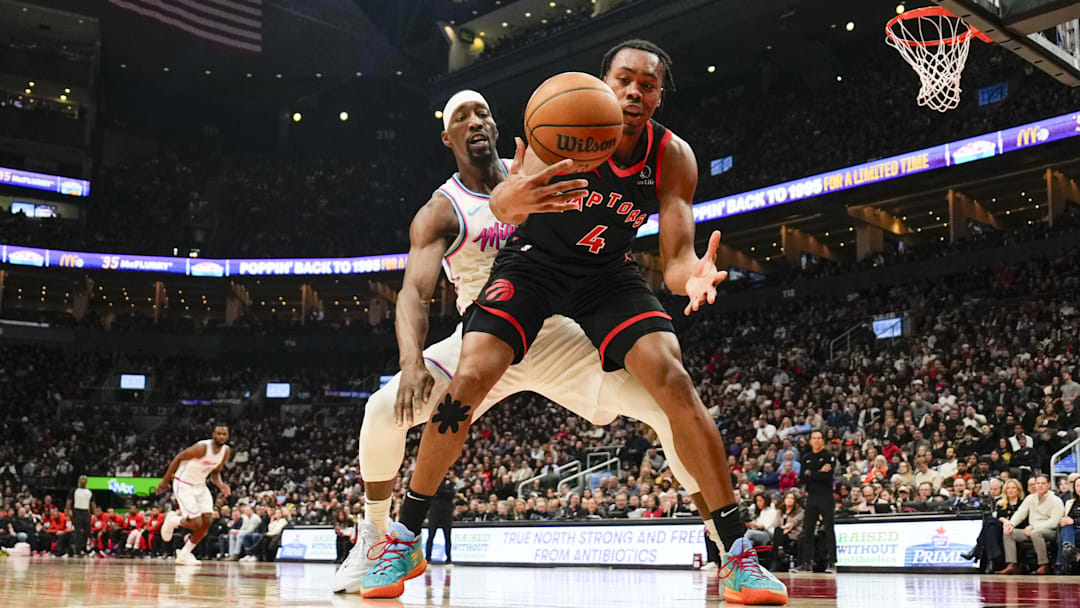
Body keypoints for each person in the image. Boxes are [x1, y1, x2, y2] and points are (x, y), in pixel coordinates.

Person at [357, 40, 787, 605]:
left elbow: (678, 255)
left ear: (660, 94)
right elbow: (507, 208)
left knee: (674, 381)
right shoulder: (564, 124)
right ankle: (406, 534)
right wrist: (511, 196)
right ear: (603, 82)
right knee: (468, 379)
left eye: (648, 84)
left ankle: (736, 553)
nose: (635, 91)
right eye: (624, 79)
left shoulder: (672, 155)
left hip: (607, 275)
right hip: (532, 267)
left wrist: (693, 277)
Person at [155, 424, 232, 565]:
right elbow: (179, 458)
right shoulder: (202, 448)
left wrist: (221, 485)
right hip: (183, 484)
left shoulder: (226, 451)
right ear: (213, 434)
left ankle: (184, 554)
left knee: (207, 521)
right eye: (219, 434)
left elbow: (215, 471)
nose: (221, 436)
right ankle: (174, 521)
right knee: (197, 523)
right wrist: (165, 481)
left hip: (200, 486)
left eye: (224, 434)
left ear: (227, 436)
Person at [999, 474, 1065, 574]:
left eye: (1043, 483)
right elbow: (1020, 513)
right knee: (1009, 533)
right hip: (1031, 531)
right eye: (1038, 483)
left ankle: (1044, 565)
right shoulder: (1030, 498)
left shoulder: (1056, 500)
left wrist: (1034, 527)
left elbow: (1054, 522)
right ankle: (1012, 564)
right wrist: (1011, 524)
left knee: (1036, 533)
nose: (1040, 486)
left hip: (1050, 531)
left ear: (1049, 485)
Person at [794, 430, 836, 573]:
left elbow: (828, 476)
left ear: (823, 440)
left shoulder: (829, 456)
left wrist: (811, 473)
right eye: (814, 438)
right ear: (810, 441)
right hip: (811, 496)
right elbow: (802, 479)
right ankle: (807, 563)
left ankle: (831, 563)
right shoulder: (806, 457)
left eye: (819, 438)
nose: (817, 441)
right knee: (808, 530)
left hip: (826, 496)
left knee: (829, 529)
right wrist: (818, 472)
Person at [425, 476, 456, 566]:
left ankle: (449, 559)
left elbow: (451, 494)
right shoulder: (433, 482)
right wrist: (444, 492)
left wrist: (439, 492)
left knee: (447, 537)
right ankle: (427, 559)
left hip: (446, 512)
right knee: (431, 536)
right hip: (434, 512)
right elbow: (431, 493)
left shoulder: (450, 483)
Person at [772, 490, 804, 571]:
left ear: (795, 501)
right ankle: (780, 549)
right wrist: (783, 530)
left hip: (793, 534)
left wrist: (785, 529)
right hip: (781, 534)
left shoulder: (801, 511)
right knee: (778, 530)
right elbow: (776, 524)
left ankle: (777, 558)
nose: (789, 500)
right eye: (787, 498)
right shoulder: (780, 511)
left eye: (792, 498)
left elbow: (793, 523)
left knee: (778, 533)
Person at [65, 475, 94, 556]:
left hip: (86, 512)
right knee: (78, 532)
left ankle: (83, 547)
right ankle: (77, 550)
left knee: (87, 531)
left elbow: (92, 503)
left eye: (85, 479)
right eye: (81, 479)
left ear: (87, 481)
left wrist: (94, 514)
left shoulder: (89, 491)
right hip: (77, 511)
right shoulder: (74, 490)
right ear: (78, 480)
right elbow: (69, 501)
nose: (83, 480)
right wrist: (67, 512)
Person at [1057, 476, 1080, 570]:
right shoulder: (1070, 502)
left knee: (1065, 532)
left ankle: (1060, 564)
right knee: (1065, 528)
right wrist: (1063, 521)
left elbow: (1072, 520)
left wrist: (1074, 521)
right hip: (1072, 532)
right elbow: (1066, 517)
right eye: (1077, 486)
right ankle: (1068, 547)